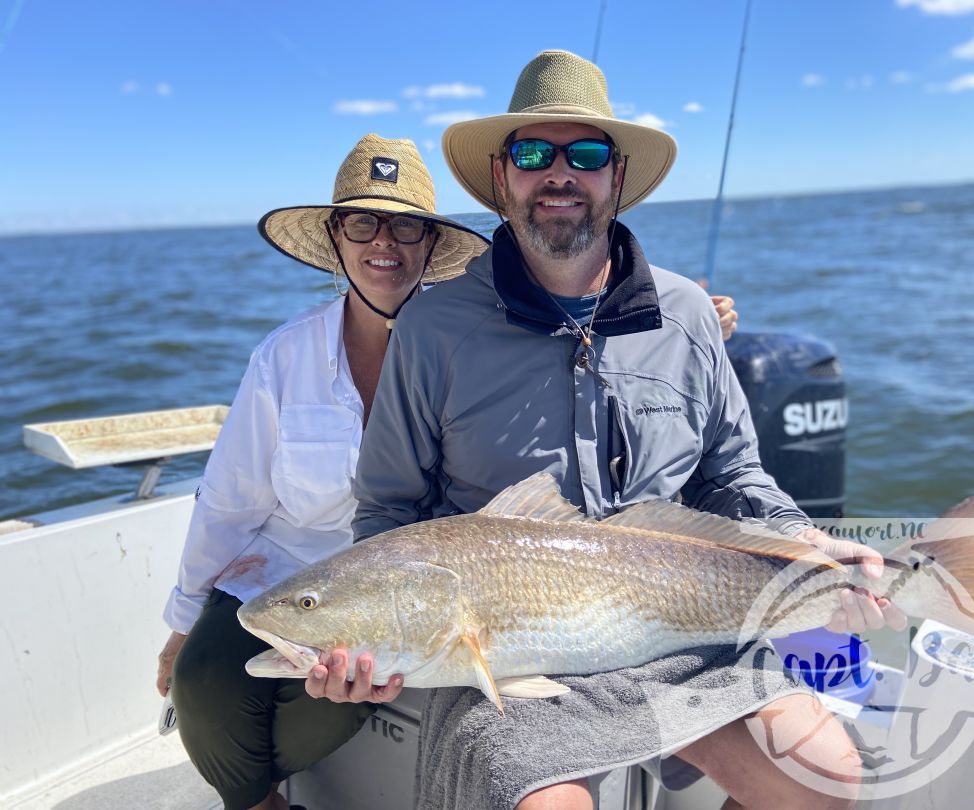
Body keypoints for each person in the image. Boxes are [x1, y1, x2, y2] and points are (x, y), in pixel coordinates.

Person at [310, 51, 905, 810]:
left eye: (586, 154)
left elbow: (733, 476)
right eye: (533, 153)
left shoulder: (687, 314)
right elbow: (388, 512)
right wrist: (371, 633)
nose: (559, 173)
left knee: (824, 778)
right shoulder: (434, 326)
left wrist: (806, 546)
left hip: (683, 623)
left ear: (616, 177)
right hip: (508, 643)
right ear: (502, 178)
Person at [155, 134, 489, 810]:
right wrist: (185, 622)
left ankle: (254, 788)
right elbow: (229, 501)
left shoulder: (467, 351)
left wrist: (677, 322)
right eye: (362, 221)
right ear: (337, 238)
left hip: (396, 596)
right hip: (281, 570)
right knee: (202, 684)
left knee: (331, 701)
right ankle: (259, 801)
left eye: (406, 225)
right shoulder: (283, 356)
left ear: (429, 244)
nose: (383, 242)